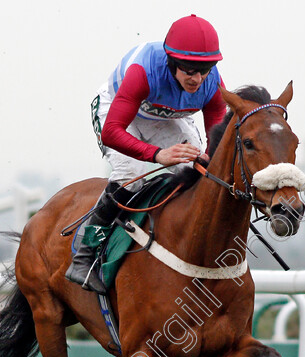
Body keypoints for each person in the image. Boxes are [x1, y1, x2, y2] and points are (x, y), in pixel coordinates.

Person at [66, 14, 227, 294]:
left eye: (205, 69)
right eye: (189, 69)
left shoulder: (212, 84)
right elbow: (112, 132)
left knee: (197, 170)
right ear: (172, 61)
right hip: (120, 111)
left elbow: (216, 135)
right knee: (132, 176)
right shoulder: (144, 72)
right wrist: (157, 155)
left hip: (163, 115)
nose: (197, 78)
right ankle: (86, 253)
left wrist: (208, 159)